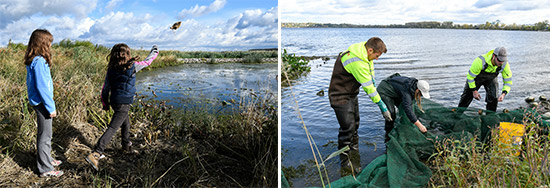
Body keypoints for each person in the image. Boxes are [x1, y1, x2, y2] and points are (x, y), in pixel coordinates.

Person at [86, 43, 159, 170]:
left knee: (126, 124)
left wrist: (105, 104)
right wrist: (155, 51)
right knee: (113, 127)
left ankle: (126, 146)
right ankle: (96, 153)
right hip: (124, 102)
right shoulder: (133, 66)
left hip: (115, 101)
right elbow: (148, 62)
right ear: (127, 54)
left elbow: (105, 88)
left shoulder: (111, 69)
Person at [328, 37, 392, 175]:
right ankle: (345, 162)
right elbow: (369, 89)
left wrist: (373, 79)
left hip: (351, 94)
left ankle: (354, 151)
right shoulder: (357, 61)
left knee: (355, 123)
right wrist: (383, 107)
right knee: (347, 128)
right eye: (376, 55)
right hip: (339, 96)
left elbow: (370, 68)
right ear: (370, 50)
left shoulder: (364, 53)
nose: (377, 58)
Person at [24, 29, 63, 177]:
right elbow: (42, 87)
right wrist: (50, 107)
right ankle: (45, 169)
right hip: (42, 103)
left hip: (39, 102)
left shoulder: (34, 59)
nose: (50, 46)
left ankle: (47, 159)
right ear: (42, 43)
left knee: (45, 134)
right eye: (49, 43)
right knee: (45, 136)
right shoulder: (39, 61)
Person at [377, 74, 430, 142]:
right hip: (384, 91)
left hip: (396, 90)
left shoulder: (413, 85)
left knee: (404, 109)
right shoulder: (406, 92)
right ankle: (388, 133)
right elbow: (408, 108)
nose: (421, 96)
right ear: (417, 90)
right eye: (421, 94)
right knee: (391, 114)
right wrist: (420, 126)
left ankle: (403, 126)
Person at [458, 47, 512, 112]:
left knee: (494, 97)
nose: (501, 63)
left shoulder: (504, 64)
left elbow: (508, 81)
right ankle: (457, 115)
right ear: (494, 56)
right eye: (499, 60)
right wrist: (474, 90)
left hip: (491, 79)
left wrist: (504, 94)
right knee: (467, 96)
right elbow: (470, 77)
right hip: (477, 78)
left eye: (503, 60)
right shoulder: (480, 61)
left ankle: (490, 118)